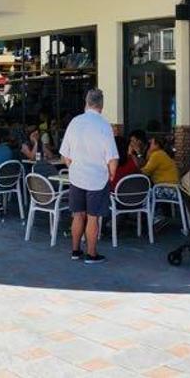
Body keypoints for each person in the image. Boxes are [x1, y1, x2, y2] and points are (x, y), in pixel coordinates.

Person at [59, 89, 118, 264]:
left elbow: (65, 155)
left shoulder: (75, 122)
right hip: (97, 179)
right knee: (93, 217)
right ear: (102, 105)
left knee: (78, 215)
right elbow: (112, 158)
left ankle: (75, 250)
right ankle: (91, 254)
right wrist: (111, 175)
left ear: (86, 102)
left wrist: (73, 168)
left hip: (77, 177)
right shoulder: (104, 125)